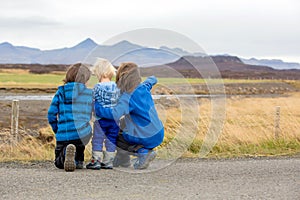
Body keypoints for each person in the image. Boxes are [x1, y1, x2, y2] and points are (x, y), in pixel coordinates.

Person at [94, 62, 164, 170]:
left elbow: (115, 114)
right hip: (158, 133)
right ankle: (123, 159)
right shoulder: (144, 87)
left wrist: (98, 109)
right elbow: (151, 81)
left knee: (115, 134)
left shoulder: (127, 97)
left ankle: (142, 152)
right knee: (124, 125)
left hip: (146, 136)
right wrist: (152, 78)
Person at [47, 63, 93, 172]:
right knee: (80, 143)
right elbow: (92, 113)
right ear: (85, 79)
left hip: (64, 134)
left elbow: (51, 114)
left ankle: (65, 154)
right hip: (82, 134)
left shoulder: (61, 92)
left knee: (58, 163)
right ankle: (78, 160)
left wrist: (57, 129)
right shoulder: (89, 93)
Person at [86, 58, 120, 170]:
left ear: (98, 73)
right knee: (111, 139)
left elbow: (92, 101)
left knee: (98, 139)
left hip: (100, 119)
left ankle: (96, 161)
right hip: (115, 119)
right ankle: (109, 161)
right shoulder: (117, 87)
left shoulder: (97, 87)